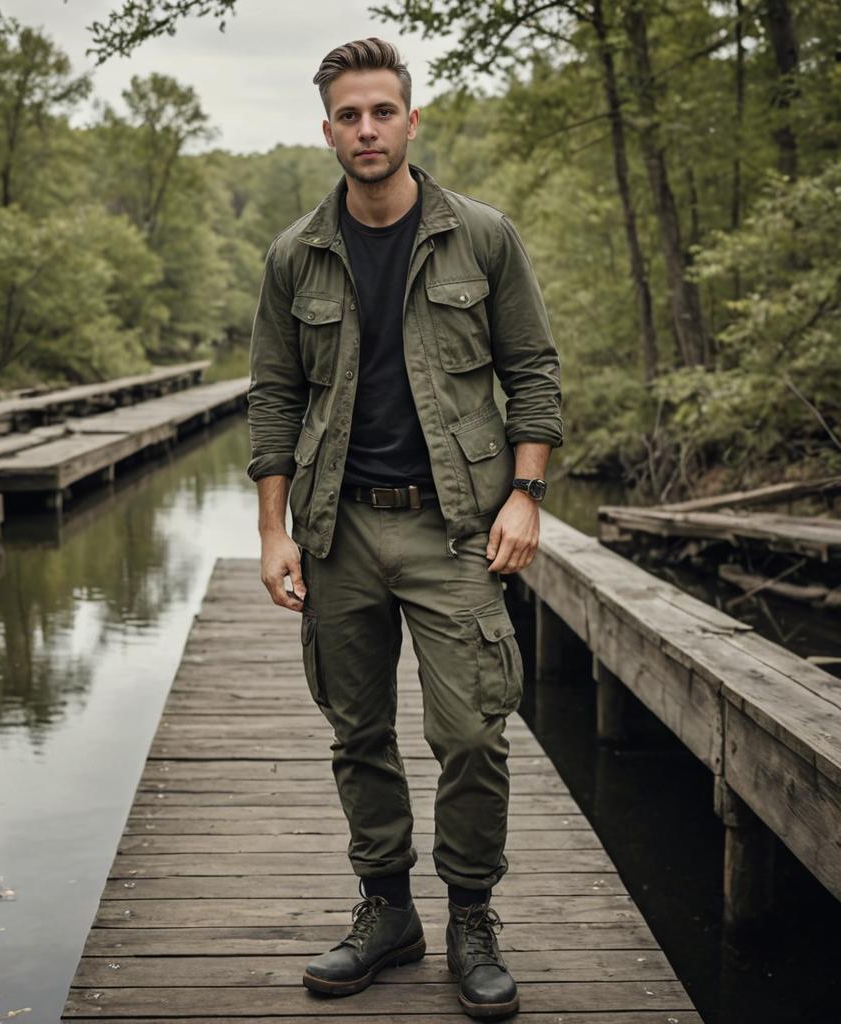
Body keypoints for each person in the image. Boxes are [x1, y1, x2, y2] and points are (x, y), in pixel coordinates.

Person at [246, 36, 563, 1020]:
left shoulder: (481, 236)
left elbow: (533, 370)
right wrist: (272, 531)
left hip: (455, 528)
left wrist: (526, 493)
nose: (367, 129)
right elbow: (273, 397)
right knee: (358, 731)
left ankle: (470, 915)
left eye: (382, 111)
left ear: (410, 119)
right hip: (338, 529)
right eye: (349, 114)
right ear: (328, 128)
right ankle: (387, 911)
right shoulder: (295, 255)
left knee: (472, 729)